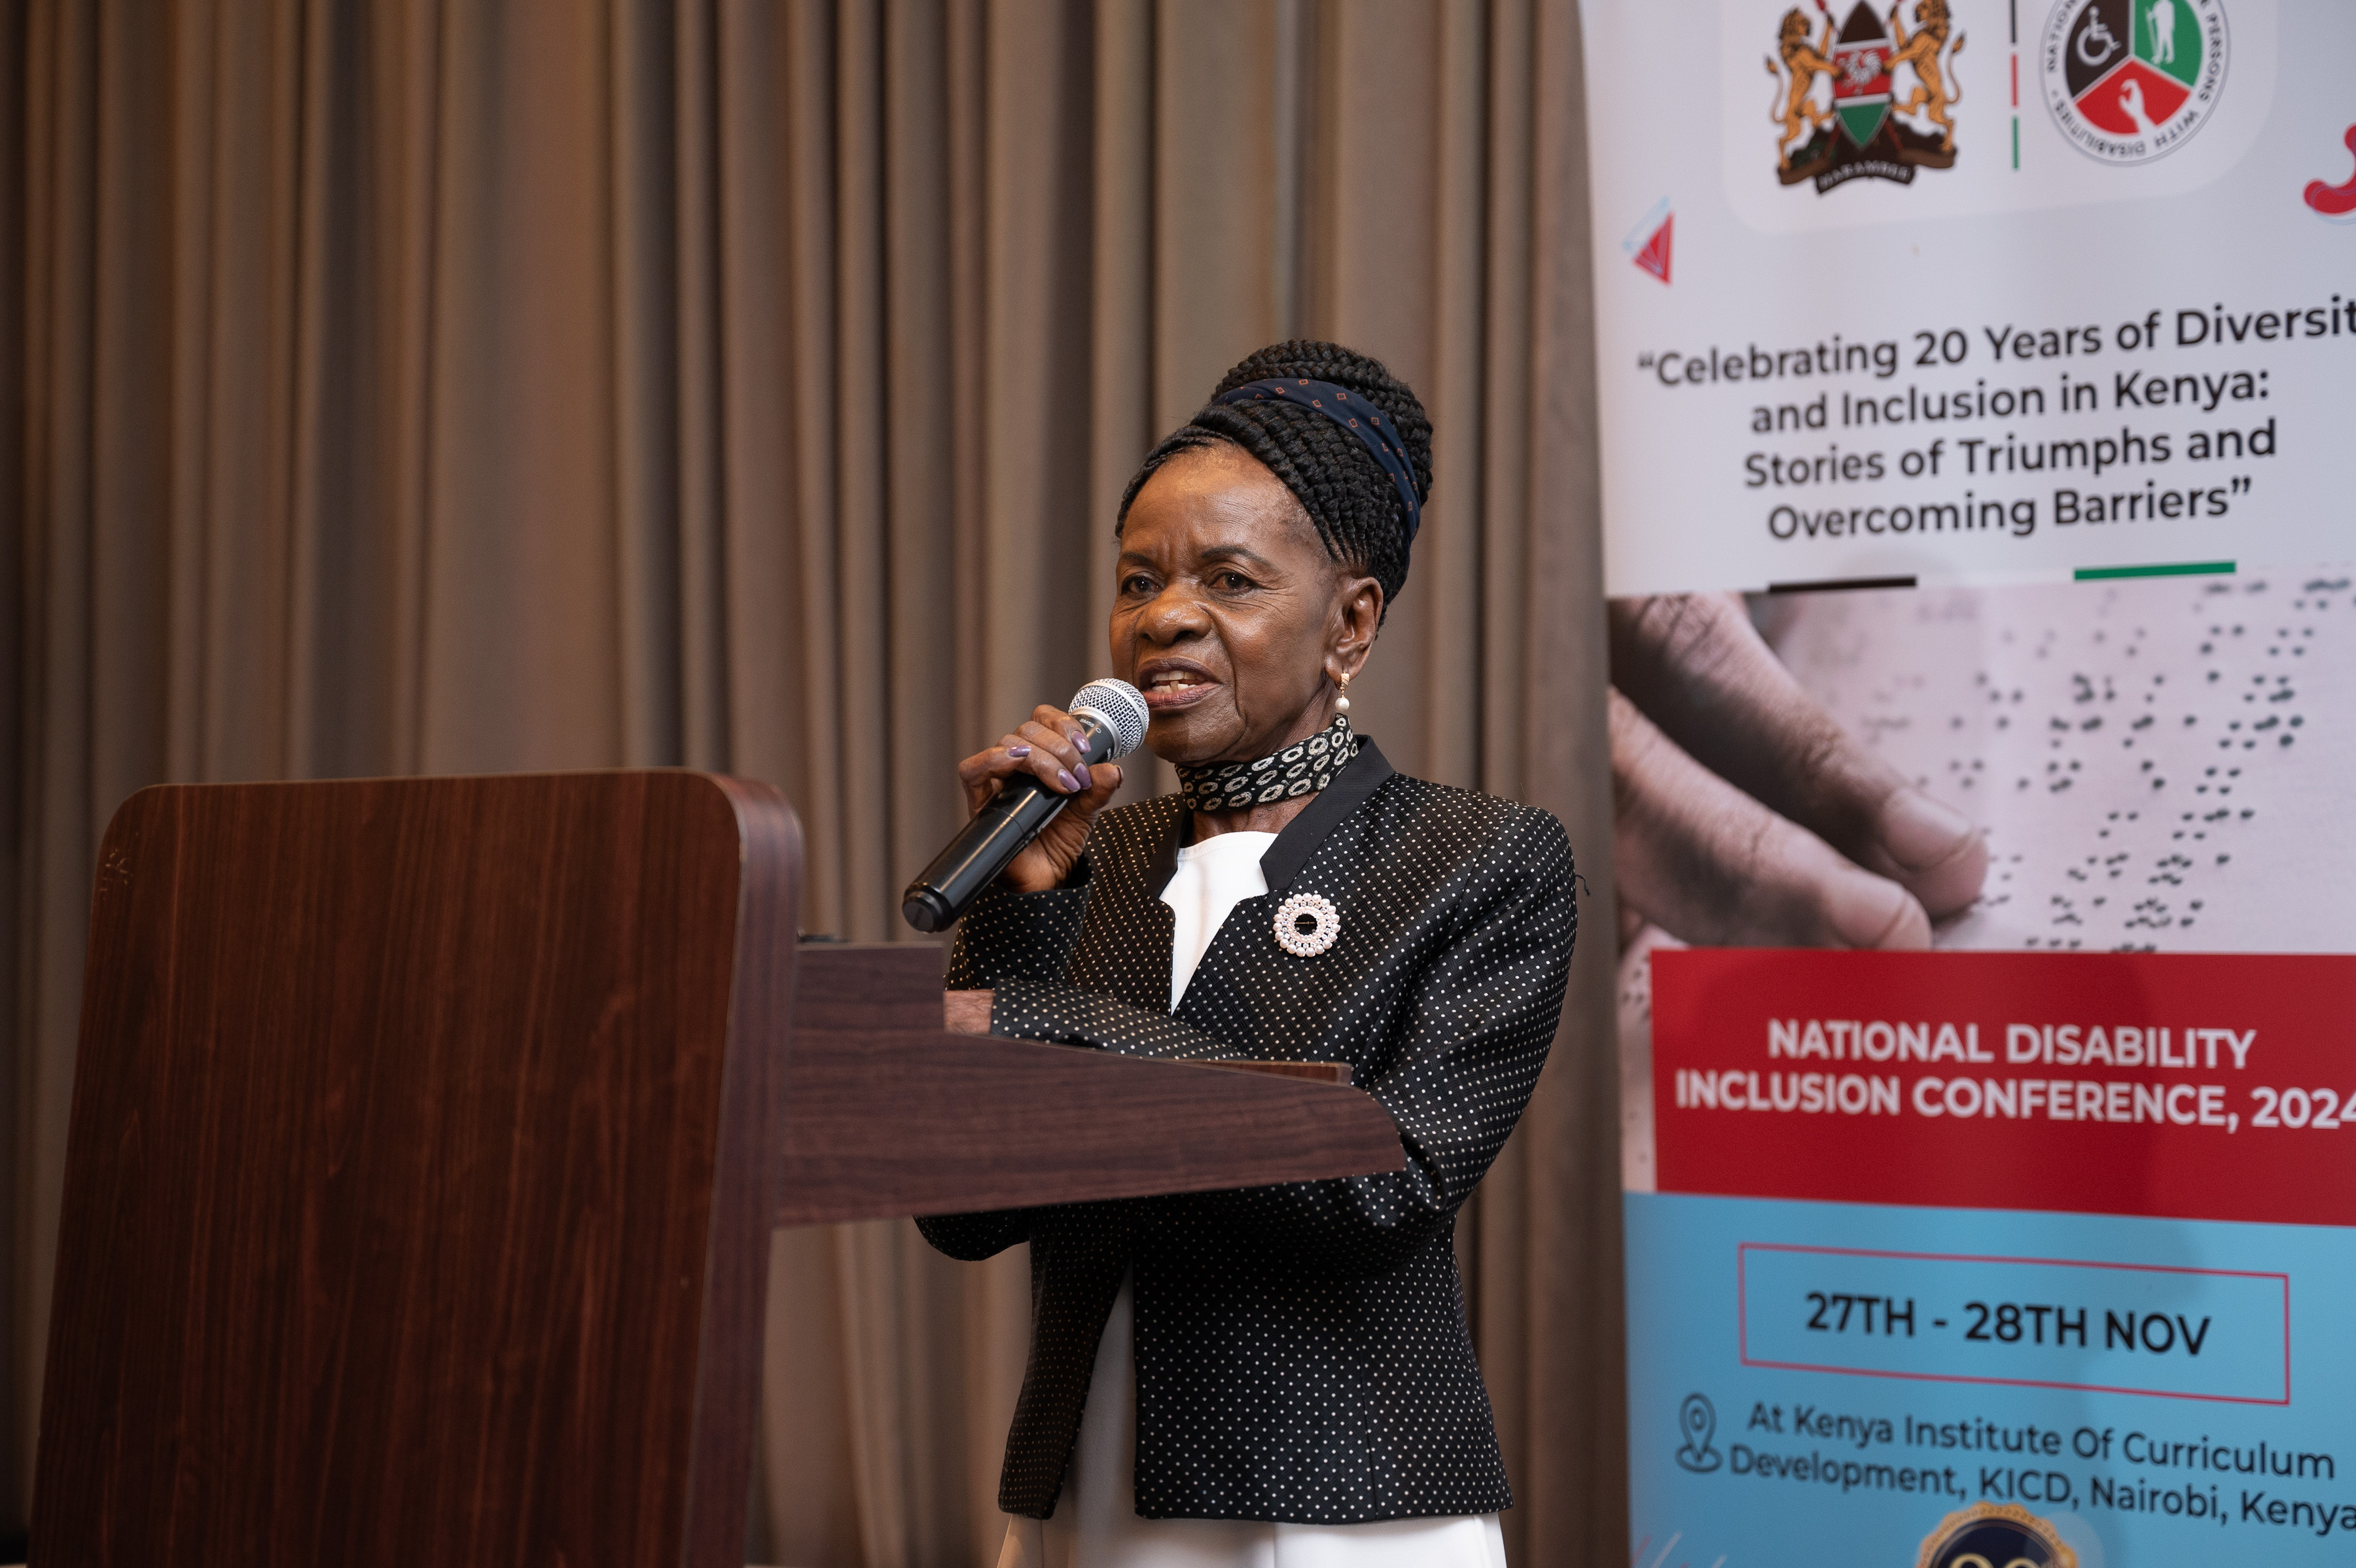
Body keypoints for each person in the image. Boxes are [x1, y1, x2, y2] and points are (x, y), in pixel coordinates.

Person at [921, 341, 1577, 1567]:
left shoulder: (1476, 856)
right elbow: (965, 1215)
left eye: (1228, 579)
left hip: (1340, 1504)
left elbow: (1386, 1187)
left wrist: (1065, 1031)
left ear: (1350, 623)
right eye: (1138, 580)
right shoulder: (1096, 860)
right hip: (1083, 1498)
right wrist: (1018, 908)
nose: (1163, 617)